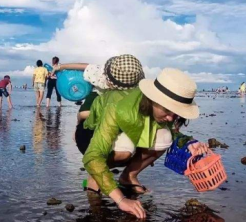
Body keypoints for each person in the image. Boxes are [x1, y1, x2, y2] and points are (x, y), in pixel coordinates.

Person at [82, 68, 208, 219]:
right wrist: (121, 199)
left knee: (165, 137)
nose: (170, 118)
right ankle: (94, 177)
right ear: (153, 99)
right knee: (124, 150)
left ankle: (128, 176)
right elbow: (93, 156)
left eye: (176, 113)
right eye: (168, 110)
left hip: (127, 128)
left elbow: (169, 130)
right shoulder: (117, 107)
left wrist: (188, 142)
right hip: (90, 134)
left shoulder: (157, 109)